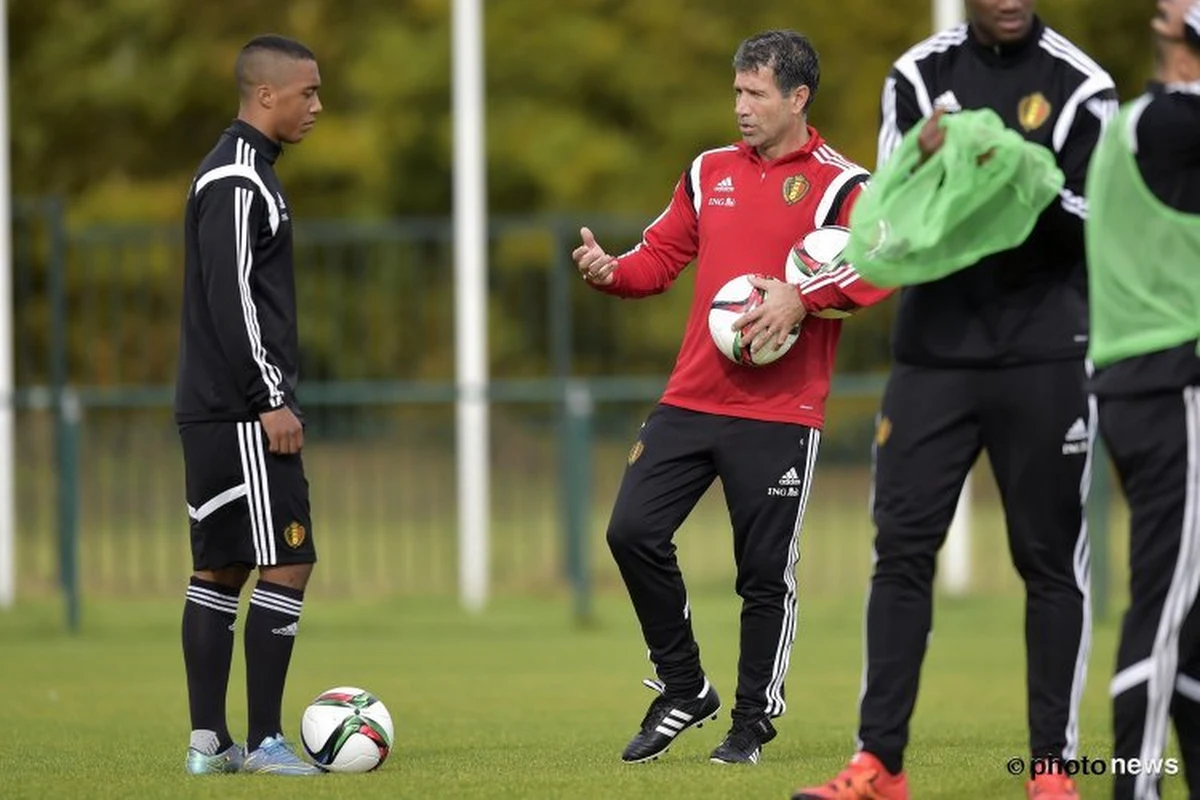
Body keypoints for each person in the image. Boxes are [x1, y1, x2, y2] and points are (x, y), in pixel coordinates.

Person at [792, 2, 1116, 799]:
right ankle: (879, 764)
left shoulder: (1083, 88)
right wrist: (950, 165)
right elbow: (897, 217)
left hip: (1044, 353)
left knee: (1048, 564)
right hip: (932, 356)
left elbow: (1089, 221)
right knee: (900, 554)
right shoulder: (917, 78)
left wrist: (1000, 163)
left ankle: (1051, 772)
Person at [573, 29, 889, 766]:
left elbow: (878, 268)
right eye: (737, 92)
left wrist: (801, 297)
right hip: (691, 398)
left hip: (780, 412)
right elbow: (657, 259)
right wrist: (608, 270)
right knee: (631, 532)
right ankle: (684, 686)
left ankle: (750, 725)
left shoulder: (845, 185)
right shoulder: (707, 169)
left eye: (756, 94)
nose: (741, 107)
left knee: (762, 575)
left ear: (798, 98)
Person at [174, 34, 323, 776]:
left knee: (222, 570)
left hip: (212, 408)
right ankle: (264, 742)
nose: (317, 107)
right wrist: (271, 398)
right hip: (240, 413)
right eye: (308, 93)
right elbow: (232, 296)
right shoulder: (238, 179)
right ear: (266, 95)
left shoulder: (245, 172)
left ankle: (210, 746)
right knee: (287, 560)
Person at [1086, 2, 1200, 798]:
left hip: (1132, 380)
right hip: (1177, 383)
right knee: (1164, 611)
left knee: (1189, 617)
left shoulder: (1129, 127)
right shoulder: (1180, 126)